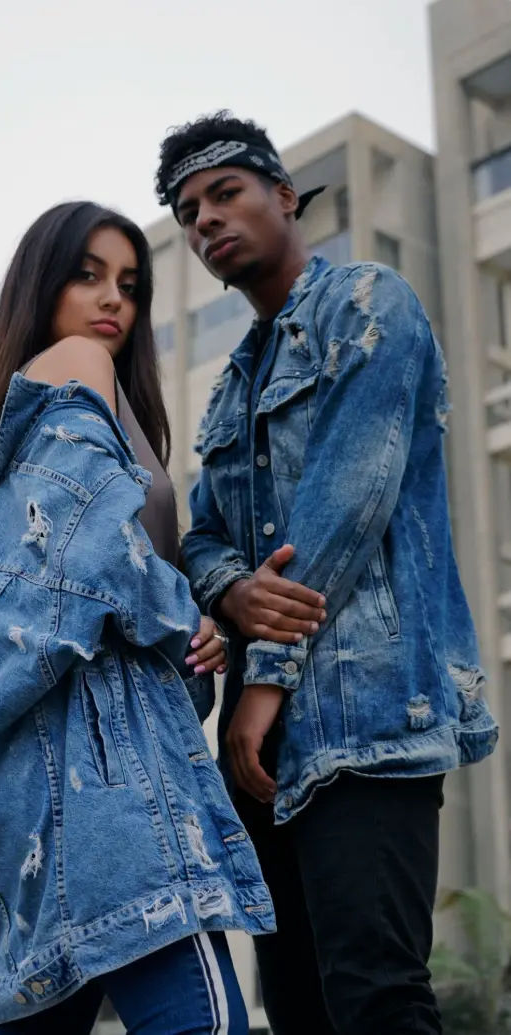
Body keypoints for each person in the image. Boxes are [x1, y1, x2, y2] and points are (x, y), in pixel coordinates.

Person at [154, 111, 499, 1035]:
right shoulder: (230, 387)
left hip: (368, 719)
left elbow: (345, 505)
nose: (206, 220)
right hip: (259, 756)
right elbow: (201, 538)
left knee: (376, 994)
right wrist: (230, 590)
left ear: (285, 196)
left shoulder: (371, 303)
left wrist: (263, 679)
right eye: (188, 213)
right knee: (299, 1009)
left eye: (225, 193)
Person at [0, 200, 278, 1034]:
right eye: (87, 275)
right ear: (41, 287)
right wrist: (182, 618)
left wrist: (188, 628)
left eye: (129, 283)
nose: (113, 298)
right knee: (205, 1020)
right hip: (108, 779)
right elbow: (94, 548)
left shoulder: (37, 417)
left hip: (43, 799)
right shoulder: (77, 362)